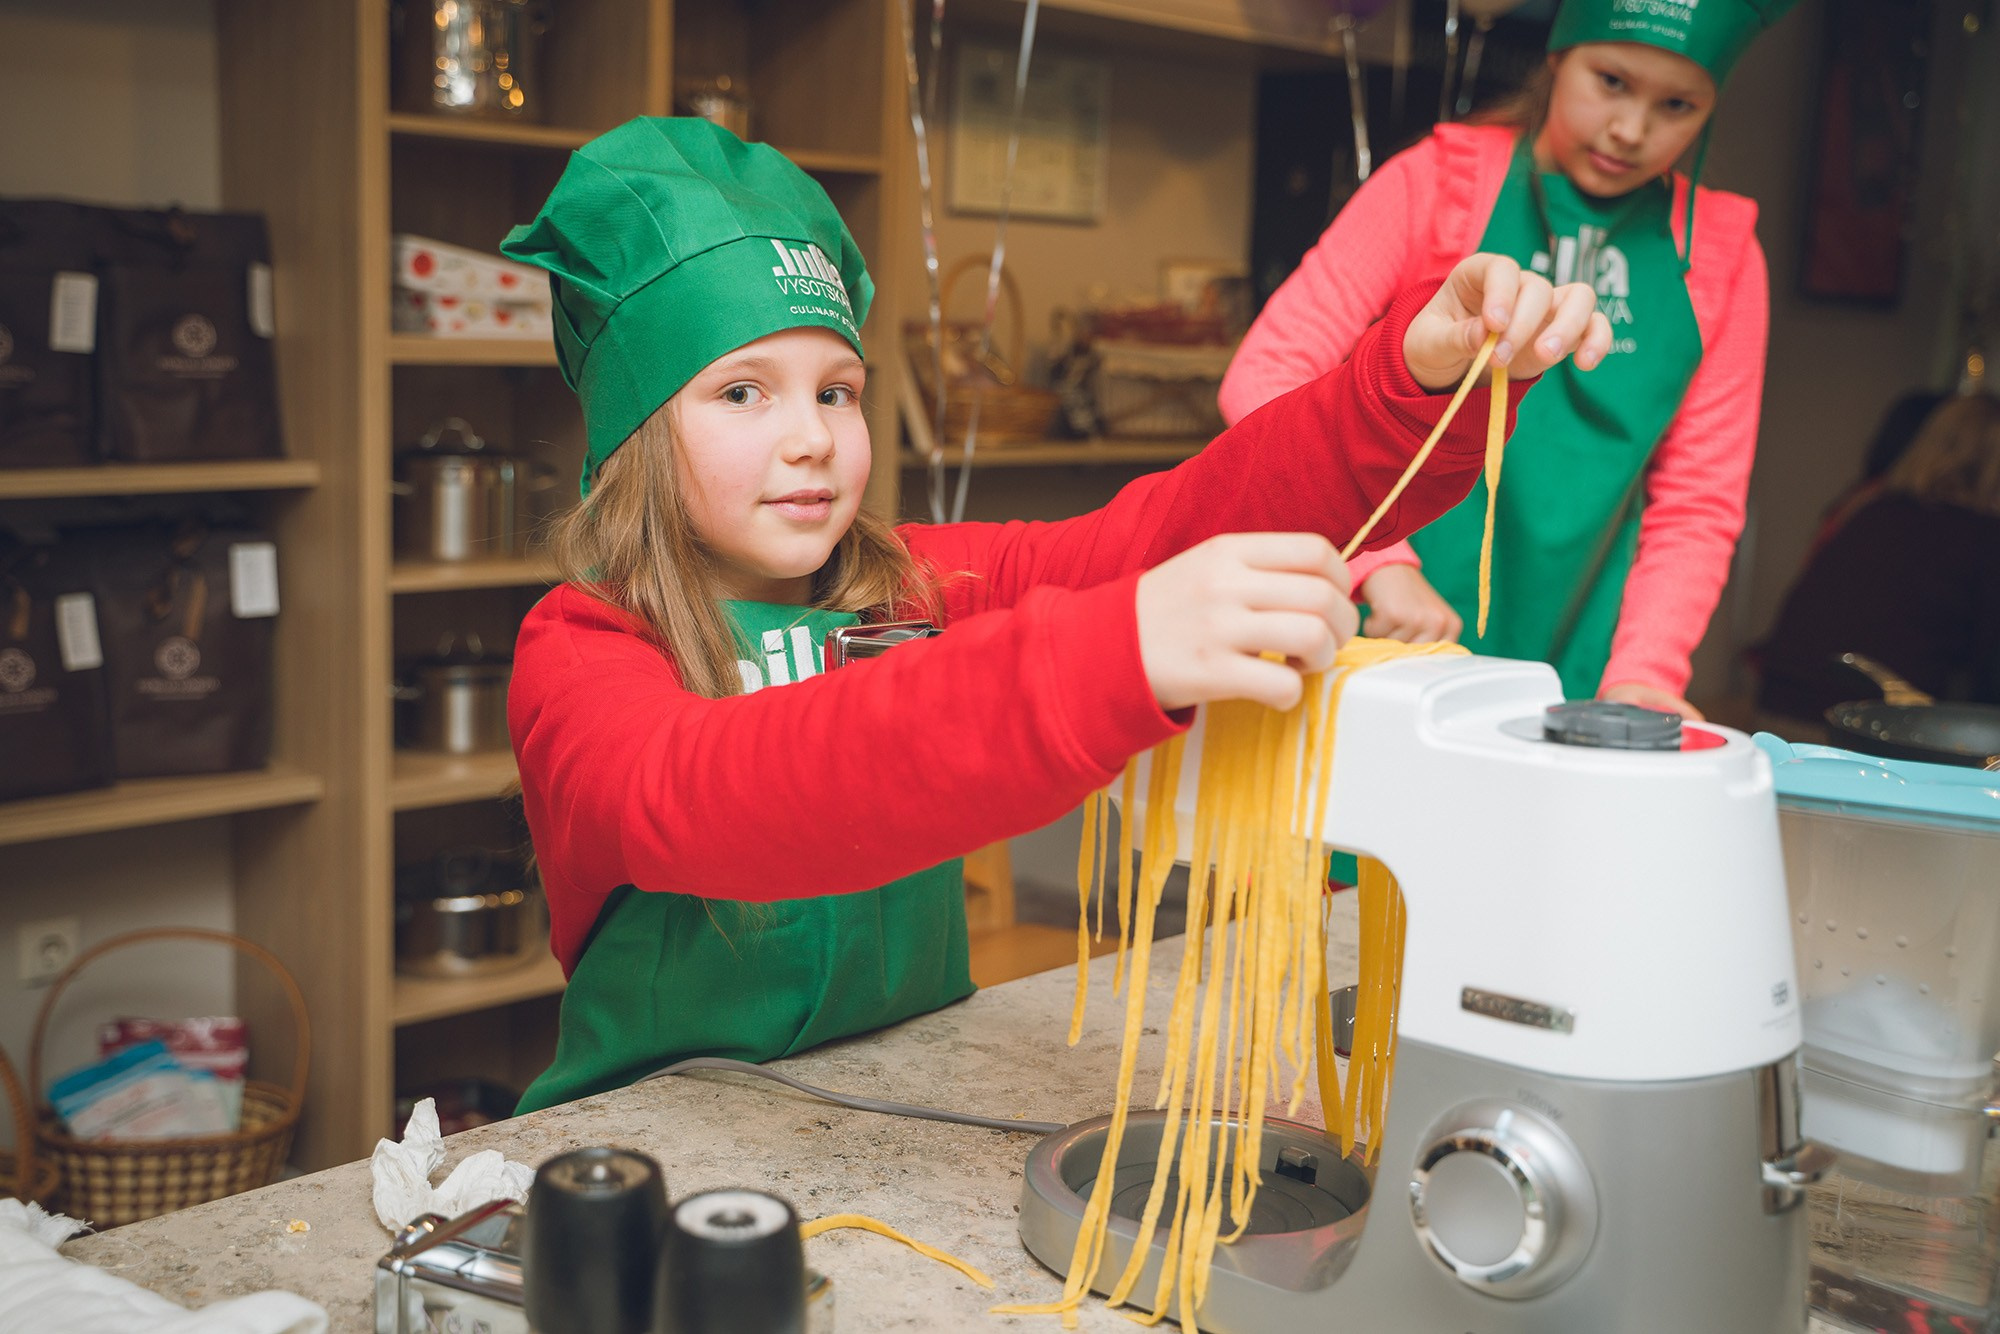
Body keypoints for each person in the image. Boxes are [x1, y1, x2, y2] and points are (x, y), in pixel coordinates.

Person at [495, 117, 1609, 1113]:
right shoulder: (583, 646)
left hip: (907, 1089)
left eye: (835, 389)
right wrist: (1101, 655)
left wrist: (1402, 383)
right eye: (743, 391)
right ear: (636, 431)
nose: (811, 438)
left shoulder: (912, 583)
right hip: (653, 1130)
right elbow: (723, 788)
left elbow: (1159, 531)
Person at [1220, 0, 1798, 719]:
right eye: (1611, 81)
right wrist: (1376, 566)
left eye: (1676, 105)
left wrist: (1646, 674)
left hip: (1577, 668)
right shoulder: (1436, 183)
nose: (1631, 129)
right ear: (1557, 59)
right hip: (1370, 643)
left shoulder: (1724, 254)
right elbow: (1265, 376)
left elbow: (1697, 503)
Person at [1756, 392, 2000, 733]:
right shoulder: (1983, 539)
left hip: (1781, 702)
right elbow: (1987, 666)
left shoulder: (1870, 510)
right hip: (1871, 726)